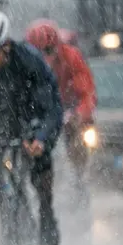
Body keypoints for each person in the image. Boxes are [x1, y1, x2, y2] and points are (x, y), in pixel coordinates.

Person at [0, 9, 64, 245]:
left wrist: (40, 137)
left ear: (6, 46)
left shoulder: (30, 61)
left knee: (39, 159)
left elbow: (51, 109)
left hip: (26, 117)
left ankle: (45, 209)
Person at [24, 19, 97, 189]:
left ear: (58, 47)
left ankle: (78, 177)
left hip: (67, 108)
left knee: (78, 137)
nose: (45, 58)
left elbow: (87, 93)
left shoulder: (71, 57)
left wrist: (79, 114)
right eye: (37, 52)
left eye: (48, 51)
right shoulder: (22, 62)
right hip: (36, 109)